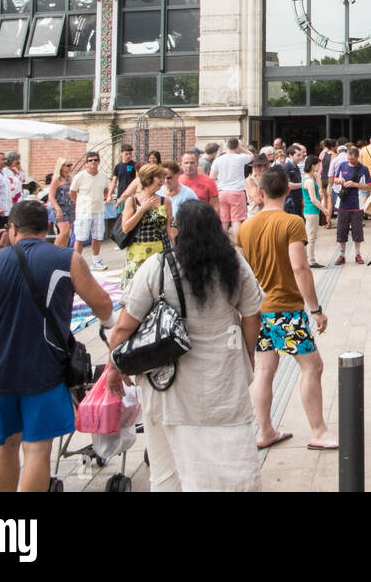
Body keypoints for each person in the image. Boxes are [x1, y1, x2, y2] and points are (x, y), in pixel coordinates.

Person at [104, 200, 263, 490]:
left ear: (179, 231)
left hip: (168, 382)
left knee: (166, 468)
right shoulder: (234, 264)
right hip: (222, 379)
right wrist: (247, 353)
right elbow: (252, 315)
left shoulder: (158, 266)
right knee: (229, 454)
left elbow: (126, 325)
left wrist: (112, 366)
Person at [0, 200, 112, 491]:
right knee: (38, 449)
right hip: (45, 368)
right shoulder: (67, 259)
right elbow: (102, 303)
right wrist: (111, 326)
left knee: (4, 445)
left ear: (12, 228)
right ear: (48, 227)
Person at [237, 167, 337, 451]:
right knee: (312, 366)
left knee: (265, 370)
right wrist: (315, 309)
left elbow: (243, 272)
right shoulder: (291, 222)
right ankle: (318, 431)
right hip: (286, 309)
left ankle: (265, 430)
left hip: (257, 309)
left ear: (260, 192)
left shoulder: (246, 226)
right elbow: (299, 267)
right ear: (288, 190)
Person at [119, 163, 174, 285]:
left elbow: (170, 227)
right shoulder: (132, 201)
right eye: (159, 177)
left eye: (163, 178)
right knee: (136, 287)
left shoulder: (165, 201)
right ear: (148, 178)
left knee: (161, 285)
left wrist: (177, 246)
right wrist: (142, 209)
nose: (162, 181)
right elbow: (126, 228)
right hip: (139, 251)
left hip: (161, 249)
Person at [332, 145, 371, 265]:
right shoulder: (342, 165)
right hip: (343, 203)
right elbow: (334, 178)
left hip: (357, 203)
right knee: (341, 230)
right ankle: (341, 254)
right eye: (348, 158)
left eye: (352, 159)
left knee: (357, 230)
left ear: (357, 157)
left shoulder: (363, 169)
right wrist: (339, 181)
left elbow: (368, 185)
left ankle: (357, 254)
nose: (349, 160)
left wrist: (355, 184)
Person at [70, 151, 109, 270]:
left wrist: (104, 198)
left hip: (99, 210)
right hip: (84, 211)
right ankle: (76, 262)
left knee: (97, 236)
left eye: (95, 160)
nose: (93, 162)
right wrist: (80, 203)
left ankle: (96, 260)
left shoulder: (103, 176)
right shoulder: (80, 176)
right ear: (86, 163)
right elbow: (72, 192)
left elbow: (106, 190)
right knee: (80, 237)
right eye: (90, 160)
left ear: (99, 162)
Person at [211, 137, 253, 241]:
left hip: (222, 192)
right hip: (236, 191)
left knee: (224, 220)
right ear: (237, 146)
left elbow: (212, 177)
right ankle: (238, 243)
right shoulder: (240, 157)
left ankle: (221, 243)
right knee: (236, 220)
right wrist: (242, 148)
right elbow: (252, 156)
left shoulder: (218, 159)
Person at [302, 155, 325, 267]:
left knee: (311, 236)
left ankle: (309, 259)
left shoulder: (309, 178)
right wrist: (324, 209)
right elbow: (313, 199)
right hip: (312, 210)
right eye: (317, 165)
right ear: (312, 165)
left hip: (311, 210)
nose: (318, 167)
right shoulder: (309, 181)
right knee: (311, 236)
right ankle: (310, 260)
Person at [108, 145, 137, 210]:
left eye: (130, 154)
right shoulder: (118, 166)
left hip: (131, 195)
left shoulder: (134, 165)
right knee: (119, 214)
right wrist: (109, 195)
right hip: (121, 194)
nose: (128, 156)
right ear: (121, 153)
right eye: (126, 154)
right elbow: (114, 182)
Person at [317, 138, 337, 228]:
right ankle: (328, 222)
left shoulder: (323, 154)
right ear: (333, 146)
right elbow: (333, 168)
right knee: (329, 201)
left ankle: (325, 220)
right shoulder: (333, 155)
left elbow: (320, 167)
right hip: (329, 179)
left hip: (323, 177)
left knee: (325, 199)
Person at [282, 143, 306, 216]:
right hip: (290, 203)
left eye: (300, 155)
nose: (300, 157)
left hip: (297, 202)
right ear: (290, 155)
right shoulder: (286, 167)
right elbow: (288, 185)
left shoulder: (296, 167)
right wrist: (303, 184)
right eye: (298, 155)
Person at [245, 154, 269, 218]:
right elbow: (258, 201)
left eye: (265, 165)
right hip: (255, 215)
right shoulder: (250, 180)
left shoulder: (270, 178)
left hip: (269, 215)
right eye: (258, 166)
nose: (263, 168)